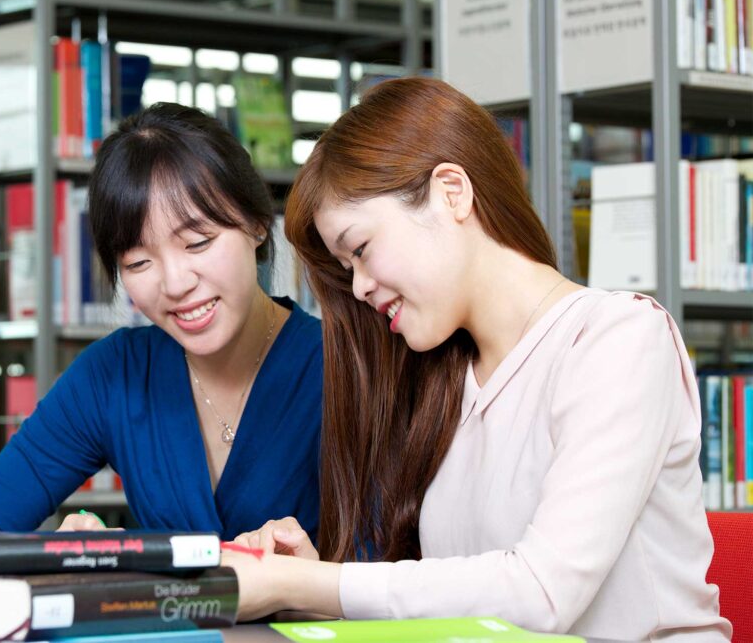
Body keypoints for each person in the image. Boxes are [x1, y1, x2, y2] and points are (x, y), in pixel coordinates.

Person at [222, 78, 731, 640]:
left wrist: (305, 585)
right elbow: (456, 597)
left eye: (361, 250)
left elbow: (542, 593)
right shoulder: (443, 377)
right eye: (347, 269)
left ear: (451, 192)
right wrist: (315, 581)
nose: (360, 287)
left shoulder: (619, 337)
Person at [0, 103, 323, 541]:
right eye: (139, 262)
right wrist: (53, 560)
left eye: (198, 243)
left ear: (257, 224)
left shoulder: (343, 369)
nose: (176, 284)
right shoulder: (113, 375)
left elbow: (393, 572)